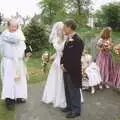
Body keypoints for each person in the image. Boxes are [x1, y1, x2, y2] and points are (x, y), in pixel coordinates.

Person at [0, 19, 28, 110]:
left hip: (18, 61)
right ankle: (9, 100)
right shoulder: (5, 34)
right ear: (8, 26)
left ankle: (18, 97)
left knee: (19, 80)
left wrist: (25, 53)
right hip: (9, 61)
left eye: (16, 26)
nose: (15, 28)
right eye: (13, 26)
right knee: (9, 81)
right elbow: (15, 40)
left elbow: (22, 45)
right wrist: (20, 37)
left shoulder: (19, 33)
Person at [61, 20, 84, 118]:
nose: (63, 29)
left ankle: (76, 110)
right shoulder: (68, 39)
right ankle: (69, 106)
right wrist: (61, 63)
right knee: (67, 89)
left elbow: (75, 58)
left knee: (74, 89)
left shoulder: (78, 40)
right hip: (65, 69)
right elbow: (64, 53)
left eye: (64, 27)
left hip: (73, 70)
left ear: (69, 27)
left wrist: (67, 67)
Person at [42, 22, 66, 108]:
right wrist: (48, 59)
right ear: (56, 30)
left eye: (62, 29)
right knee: (56, 80)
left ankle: (66, 99)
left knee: (64, 81)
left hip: (65, 62)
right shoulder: (55, 39)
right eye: (59, 29)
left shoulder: (66, 38)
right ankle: (54, 97)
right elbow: (57, 52)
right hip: (57, 63)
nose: (61, 31)